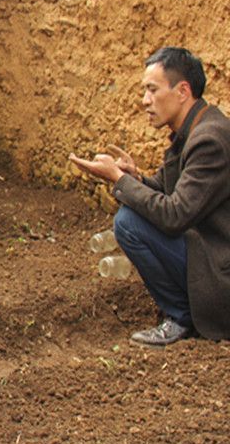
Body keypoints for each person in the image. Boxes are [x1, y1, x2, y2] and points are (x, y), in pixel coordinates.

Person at [69, 46, 230, 346]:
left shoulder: (208, 140)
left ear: (182, 91)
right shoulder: (196, 128)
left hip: (220, 275)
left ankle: (182, 317)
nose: (145, 100)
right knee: (131, 218)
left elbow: (174, 215)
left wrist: (118, 179)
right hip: (209, 253)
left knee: (129, 223)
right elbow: (173, 192)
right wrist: (136, 178)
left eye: (152, 90)